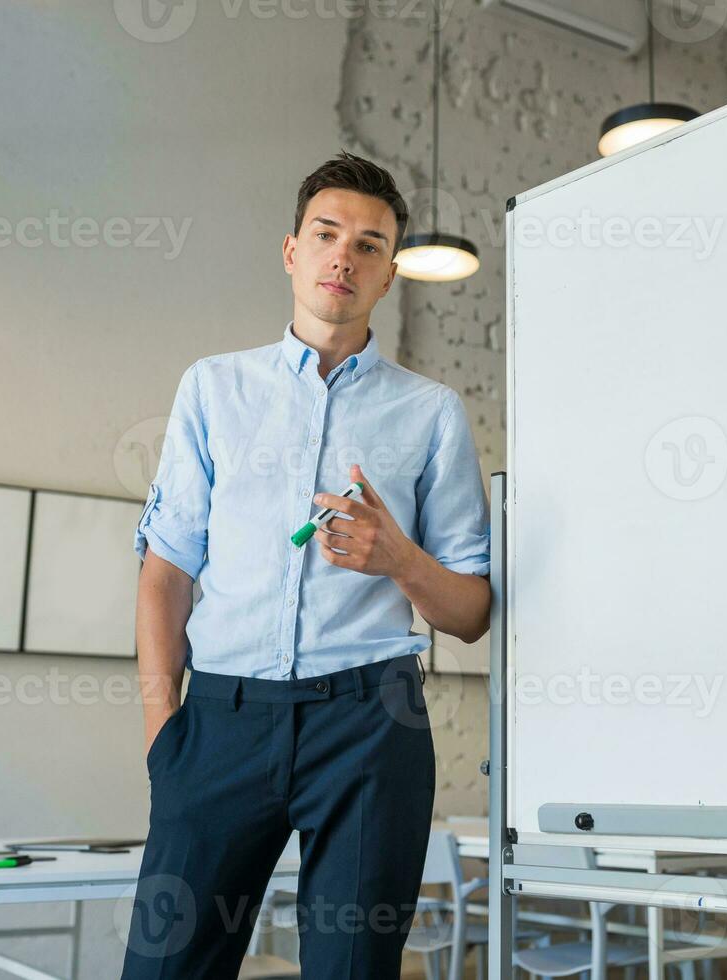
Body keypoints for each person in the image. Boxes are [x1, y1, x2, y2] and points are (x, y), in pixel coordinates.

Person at [121, 150, 492, 979]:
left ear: (389, 274)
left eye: (369, 245)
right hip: (218, 723)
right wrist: (163, 738)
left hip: (371, 724)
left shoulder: (430, 414)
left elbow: (469, 613)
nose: (344, 257)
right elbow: (167, 571)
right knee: (164, 969)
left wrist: (399, 558)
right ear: (292, 251)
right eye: (328, 235)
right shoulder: (213, 390)